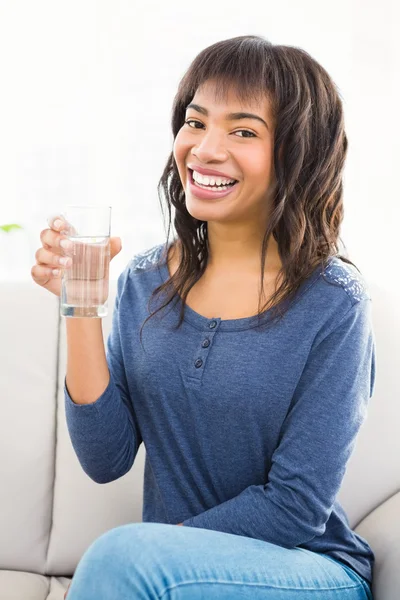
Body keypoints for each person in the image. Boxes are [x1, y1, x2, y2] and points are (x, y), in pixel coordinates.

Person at [31, 35, 375, 600]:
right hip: (173, 569)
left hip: (309, 569)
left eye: (243, 131)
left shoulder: (334, 302)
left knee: (123, 555)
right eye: (195, 122)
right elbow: (104, 458)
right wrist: (81, 304)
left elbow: (296, 507)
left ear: (297, 153)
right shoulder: (147, 281)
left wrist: (153, 554)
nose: (205, 149)